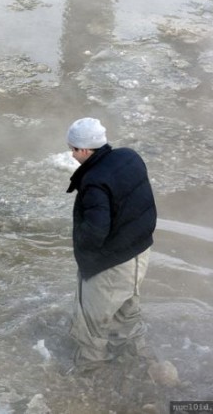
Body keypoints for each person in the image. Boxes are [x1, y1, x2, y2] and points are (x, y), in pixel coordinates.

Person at [65, 117, 157, 372]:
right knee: (127, 315)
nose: (72, 155)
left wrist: (84, 255)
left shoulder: (94, 180)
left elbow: (95, 230)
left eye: (73, 149)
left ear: (84, 149)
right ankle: (141, 367)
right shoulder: (130, 157)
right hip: (139, 254)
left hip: (110, 264)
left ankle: (89, 379)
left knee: (91, 327)